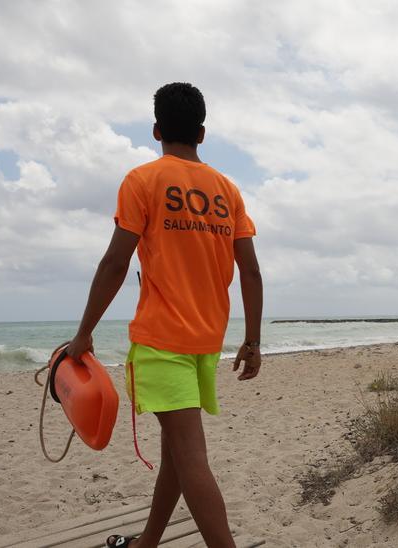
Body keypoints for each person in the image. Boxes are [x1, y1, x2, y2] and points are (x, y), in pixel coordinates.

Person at [66, 82, 262, 548]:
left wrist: (83, 334)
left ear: (156, 130)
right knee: (176, 451)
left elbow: (115, 263)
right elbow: (250, 271)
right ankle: (147, 542)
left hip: (161, 341)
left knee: (190, 455)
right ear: (202, 133)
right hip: (206, 341)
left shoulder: (143, 181)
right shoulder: (226, 190)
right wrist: (253, 340)